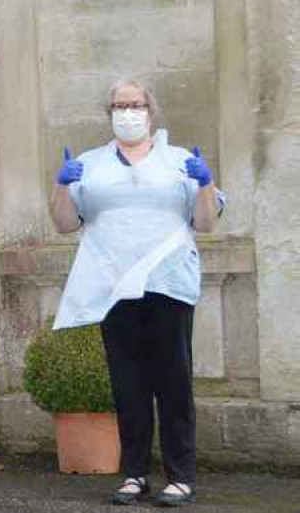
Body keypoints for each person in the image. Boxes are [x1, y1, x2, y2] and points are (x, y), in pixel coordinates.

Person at [50, 79, 225, 508]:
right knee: (127, 384)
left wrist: (204, 183)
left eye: (135, 104)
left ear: (151, 110)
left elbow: (205, 222)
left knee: (173, 384)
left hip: (168, 285)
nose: (127, 112)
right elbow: (64, 223)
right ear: (108, 112)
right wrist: (60, 186)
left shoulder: (179, 160)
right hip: (113, 287)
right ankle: (134, 475)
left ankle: (180, 476)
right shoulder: (91, 164)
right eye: (118, 105)